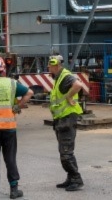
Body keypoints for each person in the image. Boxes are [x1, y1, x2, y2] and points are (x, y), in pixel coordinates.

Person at [0, 55, 33, 199]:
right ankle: (14, 190)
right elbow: (29, 92)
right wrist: (18, 106)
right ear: (3, 69)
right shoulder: (12, 83)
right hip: (9, 127)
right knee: (10, 158)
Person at [47, 54, 89, 192]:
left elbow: (77, 84)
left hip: (67, 119)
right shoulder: (59, 78)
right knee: (64, 151)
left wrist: (70, 96)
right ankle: (71, 177)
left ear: (56, 65)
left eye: (50, 65)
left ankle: (76, 179)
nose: (48, 67)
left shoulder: (65, 76)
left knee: (66, 152)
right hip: (62, 119)